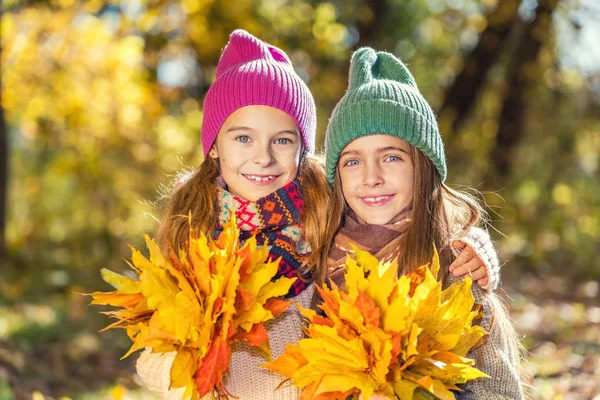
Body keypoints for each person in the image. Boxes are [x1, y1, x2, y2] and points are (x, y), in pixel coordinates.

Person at [136, 30, 502, 399]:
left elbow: (407, 223)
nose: (263, 156)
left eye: (282, 139)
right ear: (214, 145)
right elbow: (154, 354)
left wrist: (473, 243)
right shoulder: (191, 229)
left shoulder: (323, 215)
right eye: (243, 138)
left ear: (303, 150)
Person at [322, 47, 525, 399]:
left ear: (423, 166)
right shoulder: (320, 255)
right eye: (352, 162)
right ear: (335, 175)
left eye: (391, 157)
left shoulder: (455, 264)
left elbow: (498, 388)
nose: (371, 177)